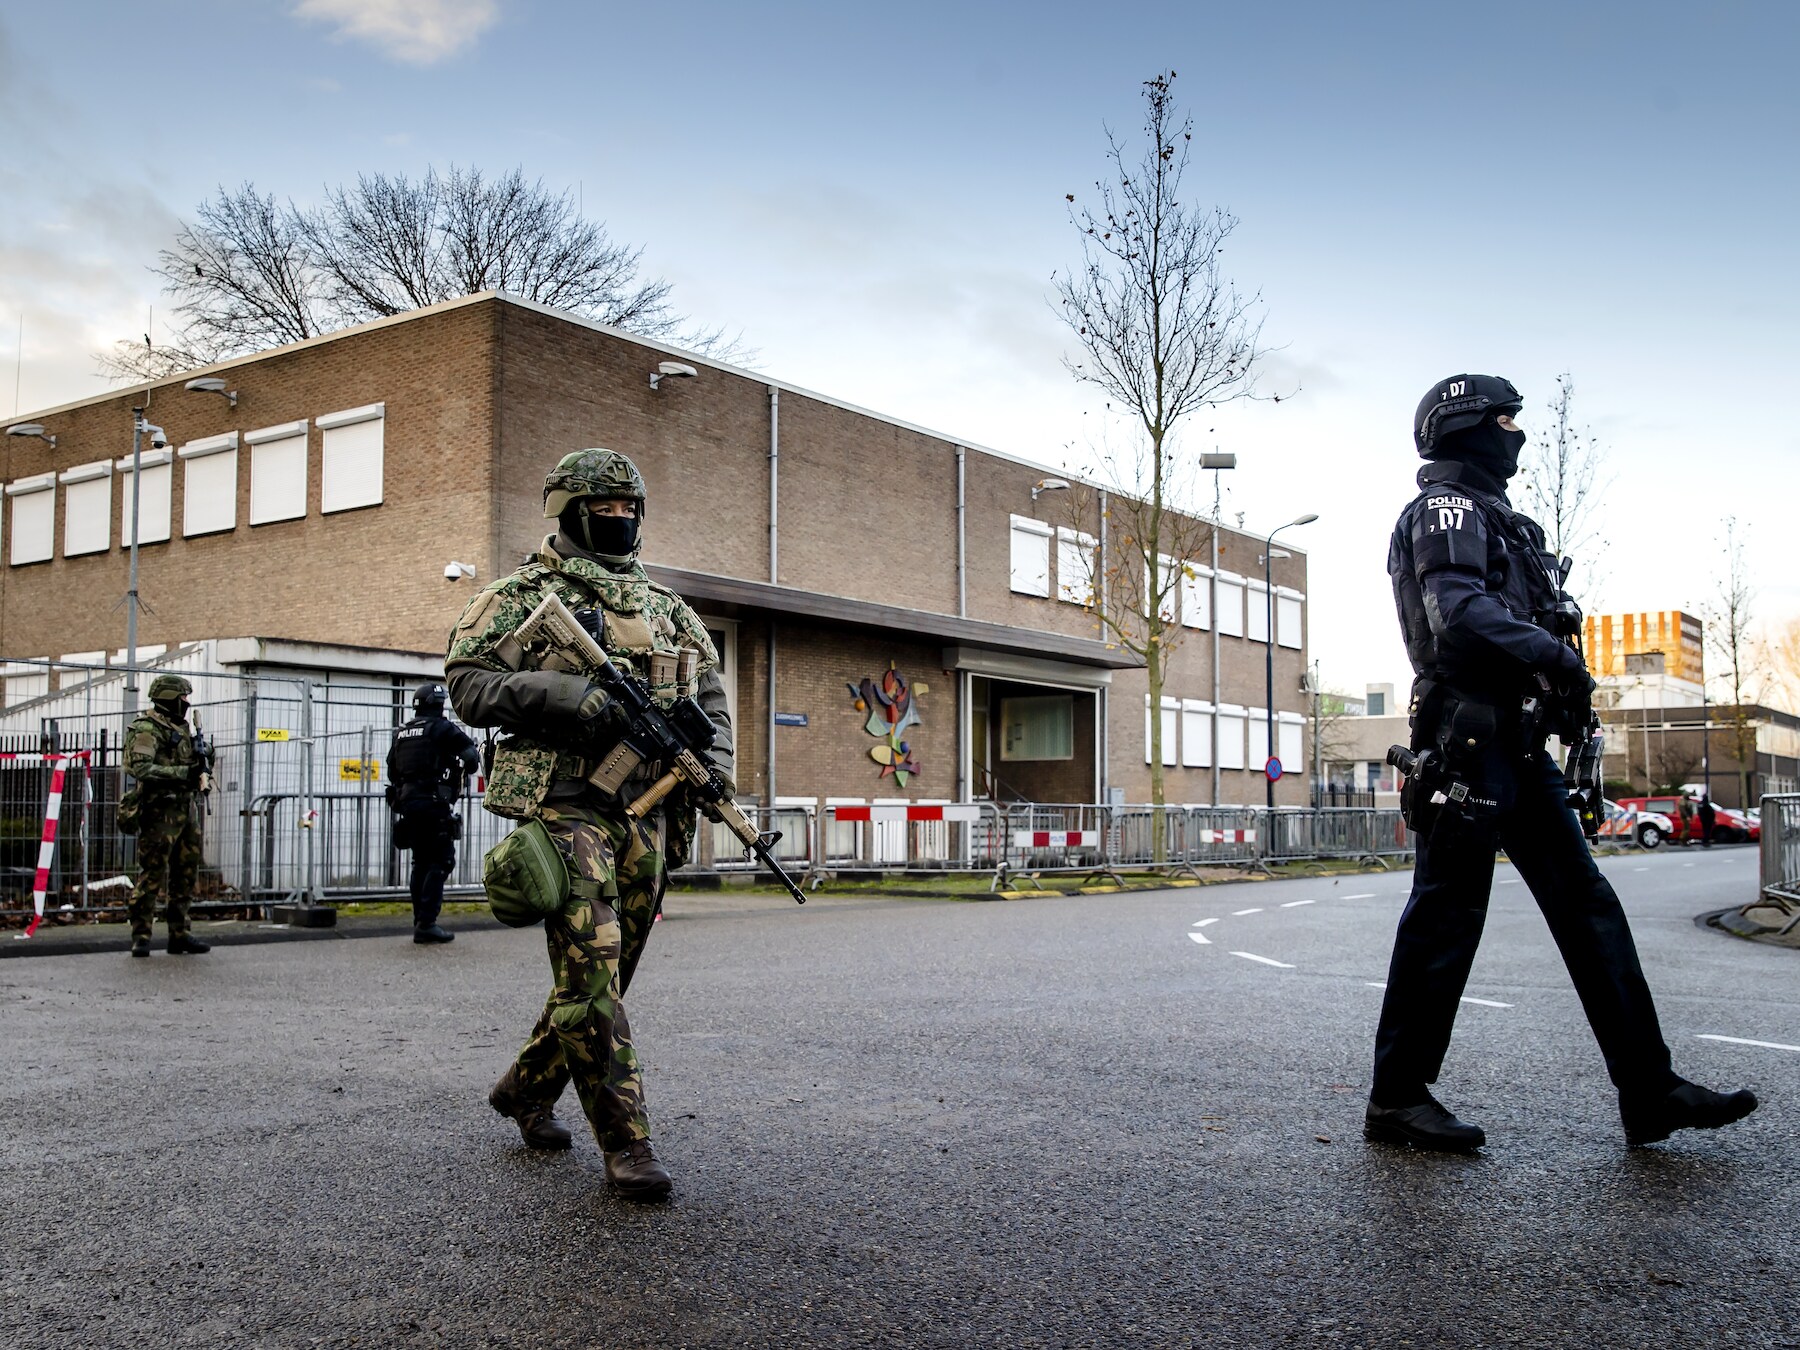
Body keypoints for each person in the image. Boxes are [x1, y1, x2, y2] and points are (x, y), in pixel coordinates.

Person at [1367, 374, 1757, 1151]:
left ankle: (1648, 1088)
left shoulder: (1505, 523)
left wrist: (1562, 683)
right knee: (1446, 919)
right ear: (1466, 426)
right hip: (1466, 746)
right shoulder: (1449, 512)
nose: (1517, 433)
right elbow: (1461, 619)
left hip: (1514, 745)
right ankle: (1397, 1100)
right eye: (1506, 419)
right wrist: (1558, 658)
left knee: (1590, 909)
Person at [444, 448, 733, 1201]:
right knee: (593, 966)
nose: (620, 522)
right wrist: (565, 697)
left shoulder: (667, 607)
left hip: (651, 809)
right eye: (604, 510)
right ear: (568, 512)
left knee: (603, 972)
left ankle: (525, 1088)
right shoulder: (523, 594)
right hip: (567, 801)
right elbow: (468, 685)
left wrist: (719, 767)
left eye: (629, 510)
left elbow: (711, 693)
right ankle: (628, 1144)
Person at [121, 674, 211, 959]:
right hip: (159, 813)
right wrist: (183, 773)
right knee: (152, 875)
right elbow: (141, 768)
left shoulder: (183, 728)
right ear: (169, 697)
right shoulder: (146, 728)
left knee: (185, 876)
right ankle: (141, 936)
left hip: (185, 811)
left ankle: (179, 934)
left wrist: (204, 758)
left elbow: (192, 762)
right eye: (182, 698)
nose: (186, 703)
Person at [387, 682, 480, 944]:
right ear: (439, 706)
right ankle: (427, 922)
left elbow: (391, 771)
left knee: (420, 862)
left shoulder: (402, 733)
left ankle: (420, 920)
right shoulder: (442, 728)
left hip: (408, 804)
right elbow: (470, 757)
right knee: (441, 860)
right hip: (434, 803)